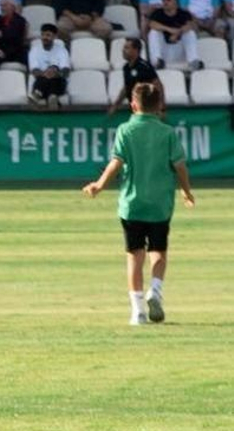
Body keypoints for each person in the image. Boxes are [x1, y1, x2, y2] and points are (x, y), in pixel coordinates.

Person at [82, 81, 195, 325]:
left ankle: (137, 311)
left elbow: (116, 162)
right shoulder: (167, 133)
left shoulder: (125, 130)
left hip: (131, 205)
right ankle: (155, 289)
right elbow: (180, 166)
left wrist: (99, 185)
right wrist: (186, 191)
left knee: (135, 256)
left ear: (133, 105)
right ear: (160, 106)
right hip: (160, 205)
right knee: (159, 252)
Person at [147, 0, 203, 70]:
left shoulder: (183, 14)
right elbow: (152, 24)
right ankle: (156, 61)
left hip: (179, 49)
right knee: (153, 32)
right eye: (163, 0)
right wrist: (170, 30)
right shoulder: (157, 13)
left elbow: (190, 25)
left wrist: (177, 33)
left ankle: (193, 61)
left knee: (189, 33)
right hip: (164, 51)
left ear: (176, 1)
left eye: (168, 0)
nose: (165, 2)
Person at [26, 23, 72, 107]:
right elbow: (34, 70)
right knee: (42, 79)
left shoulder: (62, 50)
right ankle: (52, 97)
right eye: (43, 35)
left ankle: (39, 95)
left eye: (48, 35)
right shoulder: (35, 50)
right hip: (41, 79)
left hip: (57, 80)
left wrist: (55, 74)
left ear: (54, 37)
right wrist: (45, 73)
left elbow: (65, 70)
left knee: (56, 81)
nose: (44, 38)